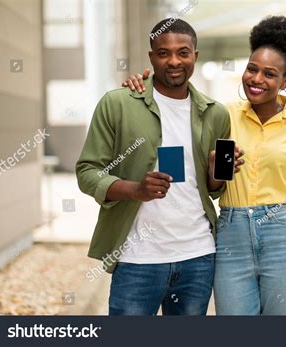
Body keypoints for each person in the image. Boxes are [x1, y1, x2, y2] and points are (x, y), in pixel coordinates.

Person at [122, 16, 286, 315]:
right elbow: (175, 111)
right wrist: (143, 83)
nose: (257, 79)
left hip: (285, 234)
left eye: (269, 74)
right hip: (231, 234)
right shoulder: (221, 115)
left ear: (285, 81)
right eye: (252, 69)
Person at [76, 18, 243, 316]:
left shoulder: (215, 113)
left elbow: (214, 191)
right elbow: (88, 172)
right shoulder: (118, 104)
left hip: (198, 257)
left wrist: (216, 175)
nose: (174, 61)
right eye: (164, 53)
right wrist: (136, 189)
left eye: (183, 52)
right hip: (137, 258)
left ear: (195, 56)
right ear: (151, 57)